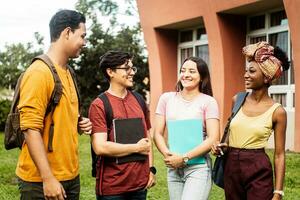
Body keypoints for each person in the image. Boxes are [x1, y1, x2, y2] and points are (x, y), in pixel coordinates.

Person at [16, 10, 92, 200]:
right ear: (67, 32)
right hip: (40, 182)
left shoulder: (68, 73)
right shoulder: (39, 72)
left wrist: (79, 124)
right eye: (82, 36)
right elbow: (30, 128)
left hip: (70, 177)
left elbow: (60, 116)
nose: (84, 42)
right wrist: (48, 178)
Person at [211, 41, 289, 200]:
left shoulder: (277, 111)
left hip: (258, 167)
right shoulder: (237, 99)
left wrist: (278, 192)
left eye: (252, 71)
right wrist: (221, 148)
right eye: (246, 70)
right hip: (231, 167)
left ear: (267, 78)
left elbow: (280, 154)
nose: (246, 75)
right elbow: (228, 134)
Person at [89, 51, 156, 200]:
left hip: (140, 186)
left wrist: (151, 169)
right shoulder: (99, 105)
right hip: (112, 190)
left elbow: (147, 138)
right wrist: (136, 148)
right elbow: (100, 147)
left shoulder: (139, 100)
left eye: (133, 68)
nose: (132, 72)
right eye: (126, 68)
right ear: (110, 72)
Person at [154, 57, 220, 200]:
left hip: (198, 168)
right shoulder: (166, 99)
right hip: (173, 168)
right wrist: (168, 155)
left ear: (202, 77)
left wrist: (184, 158)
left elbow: (213, 138)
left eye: (192, 71)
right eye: (183, 71)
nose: (186, 74)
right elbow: (157, 133)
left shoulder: (208, 102)